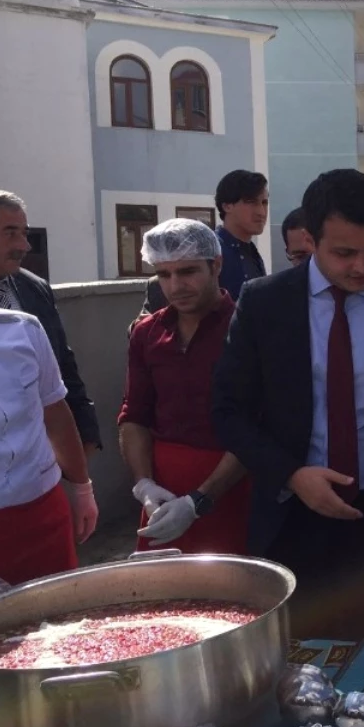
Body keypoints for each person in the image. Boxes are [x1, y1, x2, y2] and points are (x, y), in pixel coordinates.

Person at [213, 169, 364, 645]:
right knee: (295, 665)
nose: (363, 267)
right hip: (292, 521)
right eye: (345, 253)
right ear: (310, 239)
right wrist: (292, 474)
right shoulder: (265, 304)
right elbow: (228, 412)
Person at [0, 233, 99, 585]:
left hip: (43, 509)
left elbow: (55, 411)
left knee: (61, 624)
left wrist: (82, 489)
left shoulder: (23, 329)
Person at [119, 219, 250, 554]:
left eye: (188, 271)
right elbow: (134, 415)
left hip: (235, 485)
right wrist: (144, 484)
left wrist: (200, 500)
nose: (175, 285)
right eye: (164, 274)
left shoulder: (249, 329)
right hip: (163, 489)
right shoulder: (146, 333)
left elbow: (258, 424)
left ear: (216, 265)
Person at [0, 188, 102, 456]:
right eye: (11, 233)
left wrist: (86, 434)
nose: (24, 245)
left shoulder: (34, 287)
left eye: (24, 233)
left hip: (46, 459)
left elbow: (62, 364)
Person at [139, 169, 270, 316]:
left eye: (264, 202)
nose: (261, 211)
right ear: (227, 205)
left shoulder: (252, 253)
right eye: (251, 202)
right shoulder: (204, 250)